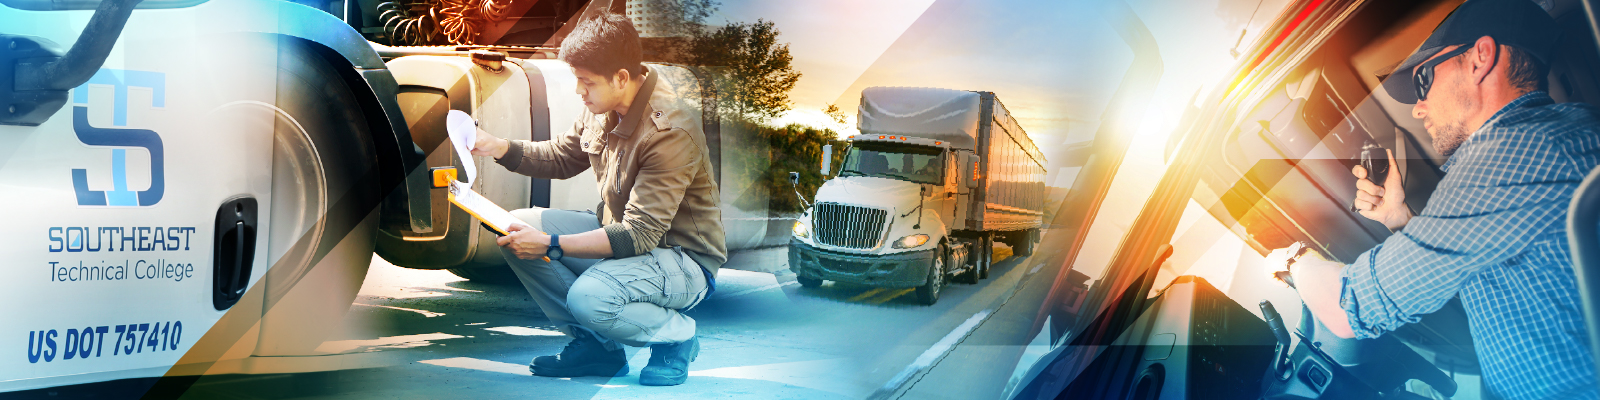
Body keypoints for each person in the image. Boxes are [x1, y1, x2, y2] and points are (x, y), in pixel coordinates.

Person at [1275, 0, 1600, 398]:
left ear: (1480, 58)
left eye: (1423, 80)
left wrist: (1292, 258)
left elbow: (1349, 308)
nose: (1417, 108)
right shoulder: (1564, 134)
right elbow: (1497, 269)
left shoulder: (1500, 161)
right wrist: (1400, 218)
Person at [468, 12, 725, 387]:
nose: (578, 91)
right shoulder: (605, 108)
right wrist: (496, 146)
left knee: (589, 297)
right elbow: (561, 155)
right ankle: (596, 348)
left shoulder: (670, 131)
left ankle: (677, 336)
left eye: (586, 82)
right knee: (514, 227)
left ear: (621, 78)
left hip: (682, 260)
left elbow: (637, 235)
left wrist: (550, 245)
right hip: (626, 238)